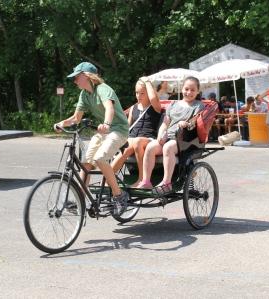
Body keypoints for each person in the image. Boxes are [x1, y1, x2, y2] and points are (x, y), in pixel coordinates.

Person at [54, 62, 129, 215]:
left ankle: (119, 195)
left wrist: (107, 123)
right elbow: (76, 118)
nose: (74, 80)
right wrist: (62, 123)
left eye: (77, 77)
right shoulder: (84, 94)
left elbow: (109, 108)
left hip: (118, 130)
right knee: (86, 163)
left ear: (87, 76)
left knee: (100, 158)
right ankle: (81, 199)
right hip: (103, 132)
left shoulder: (103, 89)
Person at [136, 76, 204, 190]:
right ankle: (146, 181)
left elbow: (195, 121)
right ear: (182, 89)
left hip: (185, 139)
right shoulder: (173, 104)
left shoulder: (198, 105)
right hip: (169, 136)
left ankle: (167, 183)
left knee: (168, 147)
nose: (189, 92)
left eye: (193, 90)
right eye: (186, 89)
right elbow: (165, 123)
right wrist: (160, 134)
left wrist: (186, 123)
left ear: (198, 91)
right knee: (150, 147)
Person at [111, 77, 162, 187]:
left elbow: (153, 98)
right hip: (133, 138)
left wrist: (148, 82)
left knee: (137, 142)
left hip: (148, 139)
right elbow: (127, 127)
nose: (139, 96)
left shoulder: (155, 106)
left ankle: (142, 179)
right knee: (126, 148)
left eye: (142, 93)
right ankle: (107, 180)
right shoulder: (133, 107)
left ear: (149, 93)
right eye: (137, 93)